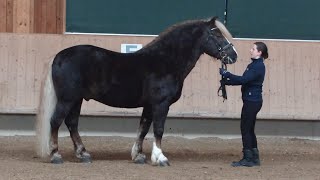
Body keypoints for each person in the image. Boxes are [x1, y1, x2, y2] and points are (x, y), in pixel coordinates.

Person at [219, 42, 268, 167]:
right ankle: (254, 157)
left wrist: (227, 74)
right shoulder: (254, 65)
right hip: (252, 101)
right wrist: (228, 82)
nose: (250, 50)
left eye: (253, 49)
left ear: (259, 52)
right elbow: (245, 81)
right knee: (249, 129)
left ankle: (248, 158)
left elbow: (244, 80)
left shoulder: (257, 67)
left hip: (252, 102)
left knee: (245, 129)